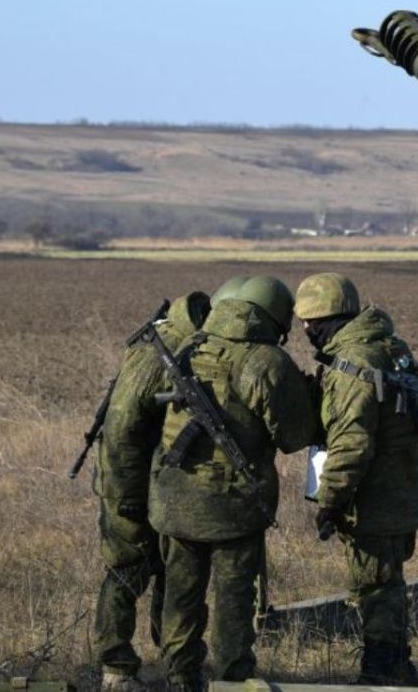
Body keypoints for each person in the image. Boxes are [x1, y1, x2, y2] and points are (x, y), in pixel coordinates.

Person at [148, 275, 316, 692]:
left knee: (180, 597)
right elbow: (295, 437)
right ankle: (231, 681)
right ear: (273, 320)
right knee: (234, 603)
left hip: (174, 499)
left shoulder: (186, 347)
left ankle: (179, 677)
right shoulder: (266, 362)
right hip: (233, 506)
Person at [294, 272, 418, 685]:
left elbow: (351, 445)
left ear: (323, 320)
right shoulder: (388, 347)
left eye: (308, 325)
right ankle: (398, 669)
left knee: (375, 591)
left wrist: (331, 503)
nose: (304, 332)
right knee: (387, 584)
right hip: (403, 489)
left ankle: (381, 674)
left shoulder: (354, 365)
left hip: (376, 499)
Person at [91, 291, 211, 692]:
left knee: (170, 572)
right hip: (129, 481)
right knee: (126, 569)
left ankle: (174, 663)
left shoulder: (173, 347)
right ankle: (116, 667)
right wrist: (125, 494)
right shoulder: (155, 356)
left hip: (159, 484)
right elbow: (122, 429)